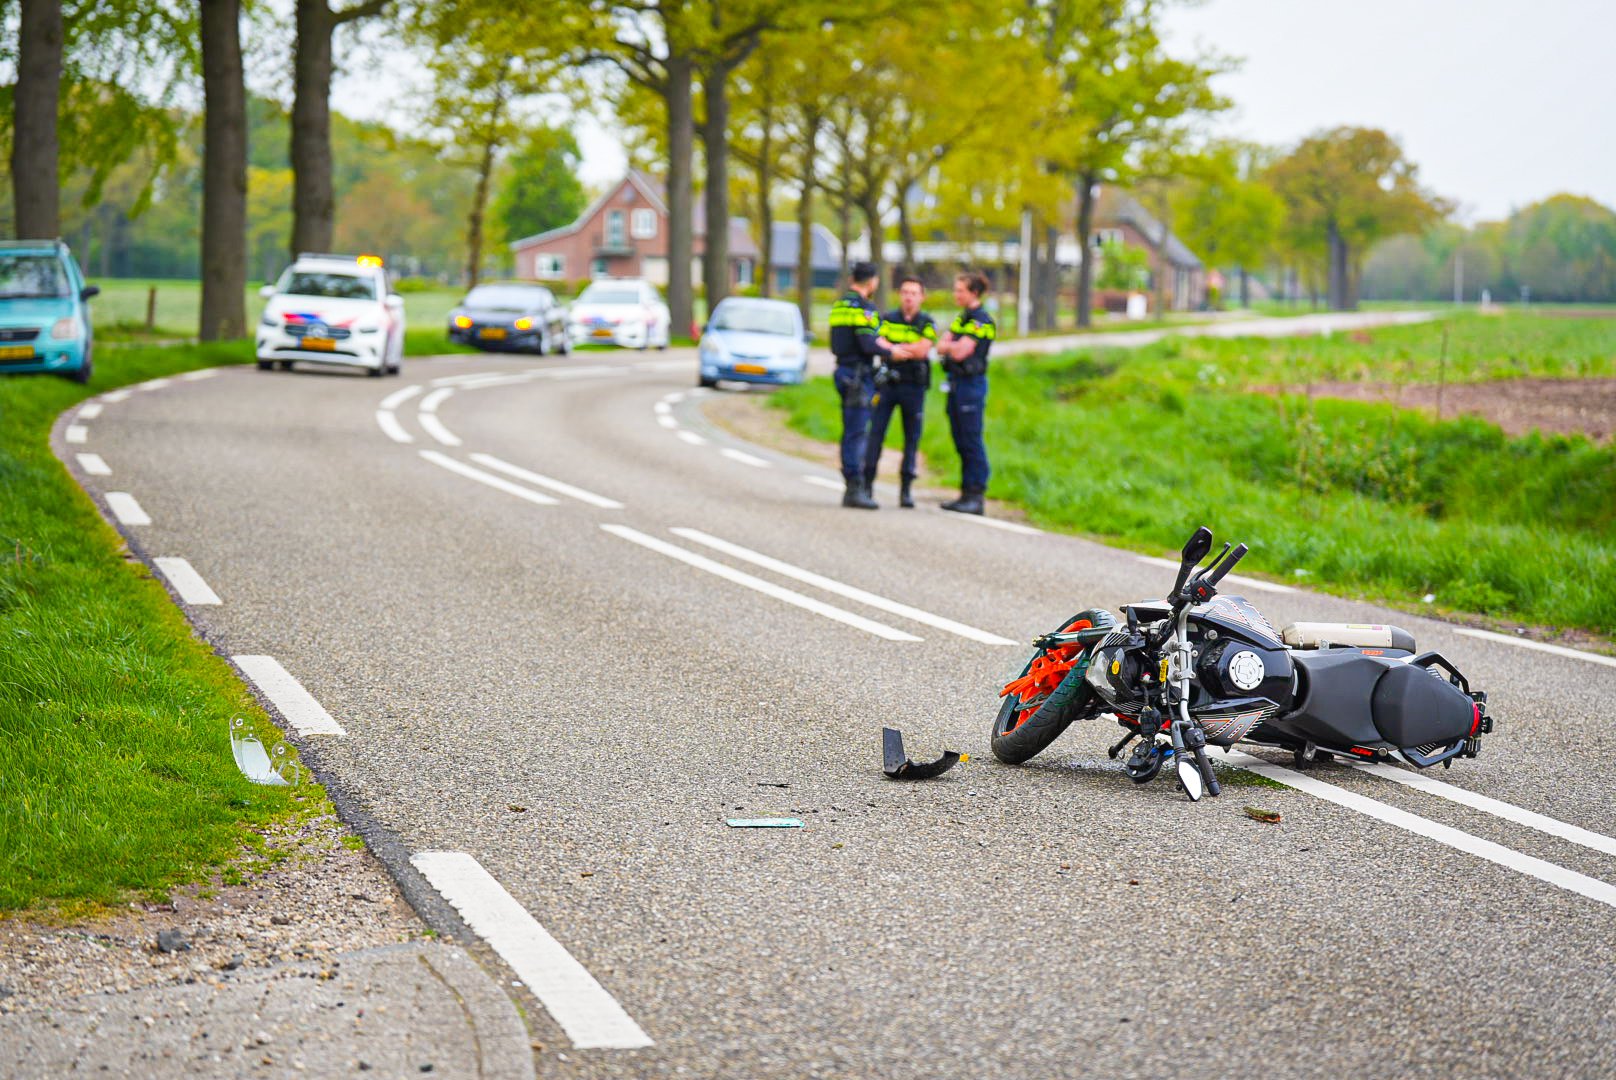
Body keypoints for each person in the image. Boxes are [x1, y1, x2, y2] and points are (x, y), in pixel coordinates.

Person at [861, 276, 936, 508]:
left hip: (913, 386)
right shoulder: (888, 319)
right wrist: (899, 350)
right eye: (905, 292)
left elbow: (924, 349)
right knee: (876, 434)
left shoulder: (926, 322)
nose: (908, 297)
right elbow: (879, 343)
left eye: (914, 293)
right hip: (888, 384)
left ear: (921, 297)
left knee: (911, 438)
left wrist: (895, 349)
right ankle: (867, 484)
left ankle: (905, 490)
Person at [828, 261, 893, 510]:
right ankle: (855, 485)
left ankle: (851, 483)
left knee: (849, 429)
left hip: (843, 371)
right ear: (872, 281)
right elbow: (868, 344)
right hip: (858, 376)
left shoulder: (839, 305)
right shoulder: (865, 308)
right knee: (857, 432)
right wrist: (892, 350)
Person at [935, 270, 994, 514]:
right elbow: (941, 346)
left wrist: (952, 347)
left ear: (975, 292)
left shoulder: (982, 321)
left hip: (971, 385)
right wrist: (952, 346)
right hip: (956, 384)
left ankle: (976, 495)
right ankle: (965, 494)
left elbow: (960, 352)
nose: (955, 294)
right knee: (960, 439)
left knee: (971, 440)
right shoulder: (962, 320)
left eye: (960, 290)